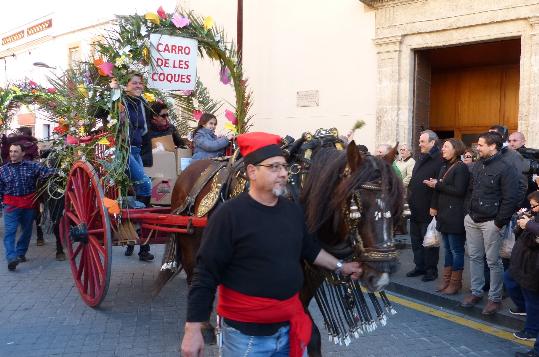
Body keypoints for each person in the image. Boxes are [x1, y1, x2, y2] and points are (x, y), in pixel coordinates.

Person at [180, 132, 362, 357]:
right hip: (246, 338)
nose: (283, 173)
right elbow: (205, 273)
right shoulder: (229, 216)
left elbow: (310, 249)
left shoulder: (292, 211)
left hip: (289, 327)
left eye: (284, 167)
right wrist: (193, 328)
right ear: (252, 172)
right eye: (274, 167)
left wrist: (341, 266)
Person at [460, 132, 520, 315]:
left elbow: (511, 198)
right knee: (475, 257)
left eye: (480, 145)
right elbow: (471, 190)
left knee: (493, 261)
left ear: (493, 146)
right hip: (473, 219)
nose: (477, 148)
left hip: (492, 222)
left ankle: (495, 298)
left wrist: (498, 222)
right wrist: (467, 213)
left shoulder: (506, 167)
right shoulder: (478, 165)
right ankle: (476, 292)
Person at [0, 143, 55, 271]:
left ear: (23, 153)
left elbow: (46, 172)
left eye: (16, 151)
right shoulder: (3, 170)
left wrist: (61, 171)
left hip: (28, 205)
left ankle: (20, 253)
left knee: (27, 231)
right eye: (11, 151)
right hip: (11, 206)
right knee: (10, 233)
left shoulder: (32, 166)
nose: (12, 154)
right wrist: (3, 205)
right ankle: (11, 258)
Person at [424, 138, 469, 294]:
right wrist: (433, 205)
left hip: (455, 215)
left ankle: (456, 283)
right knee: (448, 249)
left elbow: (459, 190)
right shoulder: (444, 165)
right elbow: (439, 188)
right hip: (444, 214)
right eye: (443, 146)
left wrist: (437, 184)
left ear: (455, 149)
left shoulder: (461, 167)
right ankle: (446, 280)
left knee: (456, 250)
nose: (442, 149)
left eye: (446, 147)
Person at [118, 73, 154, 261]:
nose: (138, 85)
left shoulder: (141, 103)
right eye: (134, 83)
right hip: (123, 150)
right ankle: (137, 225)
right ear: (126, 86)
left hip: (137, 150)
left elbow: (145, 129)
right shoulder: (119, 99)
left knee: (141, 190)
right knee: (146, 186)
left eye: (140, 83)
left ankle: (139, 239)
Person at [407, 129, 443, 282]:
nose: (419, 144)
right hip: (415, 208)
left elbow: (438, 187)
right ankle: (419, 266)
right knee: (416, 241)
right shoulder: (421, 157)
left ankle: (431, 270)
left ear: (432, 142)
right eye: (420, 141)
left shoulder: (439, 160)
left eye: (422, 141)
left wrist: (434, 207)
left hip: (428, 209)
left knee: (429, 241)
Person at [504, 191, 539, 344]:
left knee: (532, 299)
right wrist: (521, 223)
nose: (531, 208)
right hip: (522, 261)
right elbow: (520, 234)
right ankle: (523, 308)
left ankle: (531, 330)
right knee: (510, 280)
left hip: (532, 265)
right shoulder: (534, 216)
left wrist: (529, 225)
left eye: (533, 206)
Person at [141, 101, 187, 167]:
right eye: (163, 116)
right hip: (151, 166)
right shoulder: (145, 129)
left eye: (167, 115)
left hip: (168, 165)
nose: (166, 118)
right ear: (154, 116)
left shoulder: (171, 128)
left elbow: (180, 144)